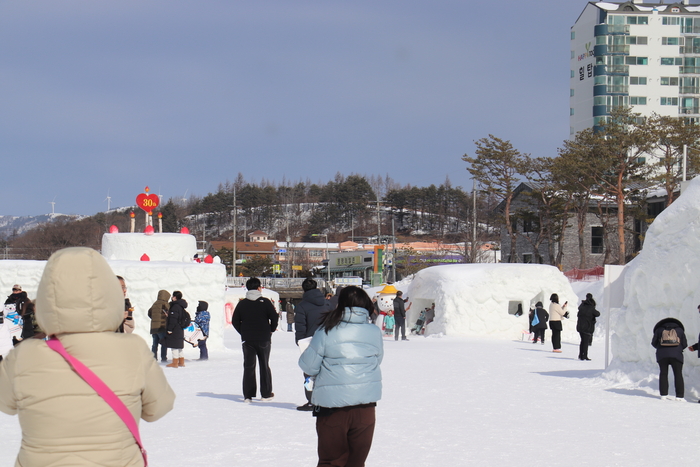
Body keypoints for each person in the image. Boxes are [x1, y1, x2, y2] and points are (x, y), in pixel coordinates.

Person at [0, 247, 174, 466]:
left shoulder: (23, 355)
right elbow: (159, 408)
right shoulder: (134, 350)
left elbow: (5, 404)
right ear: (110, 295)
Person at [299, 286, 383, 467]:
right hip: (365, 407)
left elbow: (308, 365)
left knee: (331, 462)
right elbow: (377, 360)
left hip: (332, 408)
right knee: (356, 462)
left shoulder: (326, 330)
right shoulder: (374, 331)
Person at [232, 278, 278, 403]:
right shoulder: (266, 302)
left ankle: (248, 395)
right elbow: (274, 317)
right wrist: (271, 329)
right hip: (263, 338)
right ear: (259, 288)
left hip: (248, 339)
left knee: (248, 366)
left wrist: (243, 331)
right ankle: (266, 393)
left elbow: (235, 321)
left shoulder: (242, 303)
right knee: (264, 365)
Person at [294, 278, 331, 411]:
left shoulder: (302, 306)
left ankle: (311, 401)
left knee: (309, 373)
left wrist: (299, 342)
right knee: (326, 371)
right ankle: (326, 399)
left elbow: (300, 327)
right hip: (328, 341)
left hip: (309, 343)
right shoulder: (327, 304)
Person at [651, 317, 687, 401]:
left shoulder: (659, 330)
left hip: (662, 355)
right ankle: (679, 396)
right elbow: (684, 344)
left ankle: (663, 395)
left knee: (663, 373)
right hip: (677, 355)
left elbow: (653, 343)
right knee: (678, 374)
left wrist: (661, 348)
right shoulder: (680, 330)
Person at [164, 291, 188, 368]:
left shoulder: (175, 306)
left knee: (174, 346)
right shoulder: (181, 306)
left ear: (175, 297)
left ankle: (174, 363)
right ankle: (181, 362)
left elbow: (173, 319)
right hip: (180, 328)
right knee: (179, 346)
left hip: (175, 329)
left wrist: (170, 329)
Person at [576, 293, 600, 361]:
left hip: (580, 326)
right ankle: (585, 356)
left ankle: (581, 355)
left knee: (582, 341)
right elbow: (598, 314)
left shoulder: (582, 307)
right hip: (587, 327)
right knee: (585, 342)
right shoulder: (591, 308)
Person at [148, 289, 170, 362]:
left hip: (154, 328)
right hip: (162, 327)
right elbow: (169, 313)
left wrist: (154, 319)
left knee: (154, 344)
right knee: (164, 343)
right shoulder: (165, 304)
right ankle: (163, 358)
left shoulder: (154, 304)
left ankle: (154, 358)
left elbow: (149, 313)